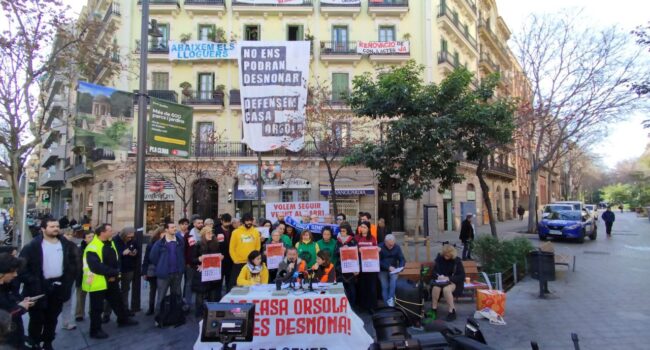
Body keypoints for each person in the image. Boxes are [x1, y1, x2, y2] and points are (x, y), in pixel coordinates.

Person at [19, 218, 78, 349]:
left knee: (52, 319)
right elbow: (21, 269)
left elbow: (74, 264)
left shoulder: (66, 245)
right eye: (52, 226)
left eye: (57, 226)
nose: (56, 229)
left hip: (58, 286)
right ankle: (34, 342)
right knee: (37, 319)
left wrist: (67, 281)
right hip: (37, 288)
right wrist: (34, 281)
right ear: (43, 229)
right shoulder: (32, 246)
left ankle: (48, 342)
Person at [83, 224, 138, 339]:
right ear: (102, 233)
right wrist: (113, 272)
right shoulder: (92, 247)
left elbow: (116, 258)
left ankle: (123, 319)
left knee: (117, 301)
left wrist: (115, 273)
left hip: (111, 280)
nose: (112, 232)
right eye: (109, 230)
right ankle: (95, 330)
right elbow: (96, 266)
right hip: (98, 282)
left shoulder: (110, 243)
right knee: (97, 308)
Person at [149, 222, 185, 317]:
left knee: (177, 296)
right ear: (166, 230)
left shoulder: (180, 241)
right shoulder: (159, 243)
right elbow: (153, 257)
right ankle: (158, 317)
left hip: (176, 273)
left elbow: (182, 254)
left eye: (175, 227)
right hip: (164, 274)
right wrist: (162, 265)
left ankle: (176, 315)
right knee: (161, 297)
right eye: (172, 227)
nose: (174, 229)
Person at [105, 227, 138, 322]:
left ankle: (125, 310)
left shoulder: (133, 240)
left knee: (126, 290)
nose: (130, 239)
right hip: (117, 269)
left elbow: (136, 248)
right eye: (128, 237)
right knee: (111, 292)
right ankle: (107, 313)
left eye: (132, 237)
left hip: (128, 268)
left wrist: (135, 252)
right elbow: (111, 254)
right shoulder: (114, 241)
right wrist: (122, 253)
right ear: (124, 235)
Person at [0, 253, 32, 348]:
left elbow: (11, 301)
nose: (15, 274)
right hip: (5, 337)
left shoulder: (7, 285)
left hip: (15, 331)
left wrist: (21, 302)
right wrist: (21, 308)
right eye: (12, 272)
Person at [192, 227, 223, 317]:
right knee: (200, 294)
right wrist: (198, 259)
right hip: (201, 274)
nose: (211, 235)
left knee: (212, 293)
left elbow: (218, 255)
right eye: (208, 233)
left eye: (211, 233)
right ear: (203, 235)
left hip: (213, 273)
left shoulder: (216, 244)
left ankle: (210, 312)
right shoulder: (198, 245)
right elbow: (192, 259)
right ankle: (199, 312)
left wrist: (221, 257)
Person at [430, 245, 465, 322]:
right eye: (445, 254)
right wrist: (438, 276)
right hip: (440, 282)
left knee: (446, 289)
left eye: (448, 255)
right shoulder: (439, 259)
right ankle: (434, 309)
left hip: (453, 282)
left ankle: (452, 311)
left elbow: (462, 276)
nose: (446, 256)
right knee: (436, 288)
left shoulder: (457, 261)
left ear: (452, 254)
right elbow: (434, 272)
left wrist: (449, 278)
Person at [229, 213, 261, 291]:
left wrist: (255, 260)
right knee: (236, 284)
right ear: (243, 221)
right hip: (239, 263)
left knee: (252, 284)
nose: (249, 222)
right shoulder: (236, 232)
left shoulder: (256, 232)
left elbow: (258, 247)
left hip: (251, 263)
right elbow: (231, 248)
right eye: (247, 221)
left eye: (250, 221)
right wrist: (235, 260)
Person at [355, 221, 379, 312]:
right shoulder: (356, 238)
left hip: (371, 266)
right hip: (360, 266)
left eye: (364, 227)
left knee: (372, 287)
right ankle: (362, 306)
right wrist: (357, 249)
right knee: (362, 287)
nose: (362, 228)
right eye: (361, 226)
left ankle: (372, 307)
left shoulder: (372, 238)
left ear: (368, 228)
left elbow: (375, 250)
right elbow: (352, 250)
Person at [334, 222, 358, 307]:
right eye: (341, 231)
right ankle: (343, 306)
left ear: (348, 231)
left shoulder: (353, 240)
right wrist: (341, 249)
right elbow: (335, 253)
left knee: (351, 288)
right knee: (342, 288)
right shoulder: (338, 241)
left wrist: (356, 269)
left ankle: (352, 306)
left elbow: (356, 254)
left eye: (344, 231)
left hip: (350, 268)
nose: (342, 233)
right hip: (340, 268)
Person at [60, 229, 79, 330]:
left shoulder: (72, 245)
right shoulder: (60, 245)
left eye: (71, 234)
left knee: (68, 301)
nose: (70, 236)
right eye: (68, 234)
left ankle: (66, 322)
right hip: (63, 277)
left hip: (70, 277)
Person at [142, 226, 164, 316]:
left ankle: (159, 308)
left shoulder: (167, 242)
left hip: (162, 268)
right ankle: (151, 307)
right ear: (159, 234)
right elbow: (146, 258)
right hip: (152, 269)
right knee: (153, 289)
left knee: (161, 289)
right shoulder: (151, 244)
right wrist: (144, 272)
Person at [378, 234, 405, 307]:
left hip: (394, 269)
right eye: (389, 245)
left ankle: (390, 299)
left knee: (393, 283)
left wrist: (400, 267)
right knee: (384, 286)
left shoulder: (397, 247)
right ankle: (387, 305)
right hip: (382, 270)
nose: (391, 246)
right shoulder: (380, 247)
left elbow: (402, 259)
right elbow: (378, 261)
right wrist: (388, 267)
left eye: (392, 245)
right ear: (385, 242)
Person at [75, 231, 95, 321]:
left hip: (94, 275)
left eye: (93, 236)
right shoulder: (79, 249)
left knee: (93, 295)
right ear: (84, 239)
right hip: (82, 275)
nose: (92, 238)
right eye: (89, 237)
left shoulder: (97, 246)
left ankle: (92, 312)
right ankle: (79, 314)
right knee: (80, 295)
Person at [215, 213, 234, 292]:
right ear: (221, 221)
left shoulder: (233, 230)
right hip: (220, 259)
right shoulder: (216, 230)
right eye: (225, 222)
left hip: (231, 259)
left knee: (229, 281)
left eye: (229, 222)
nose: (227, 224)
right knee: (218, 281)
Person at [183, 217, 198, 312]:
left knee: (199, 283)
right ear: (194, 224)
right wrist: (187, 262)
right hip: (190, 263)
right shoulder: (189, 235)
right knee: (189, 283)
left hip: (200, 263)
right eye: (198, 222)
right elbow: (186, 250)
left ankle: (198, 303)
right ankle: (187, 303)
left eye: (202, 222)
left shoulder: (203, 234)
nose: (200, 224)